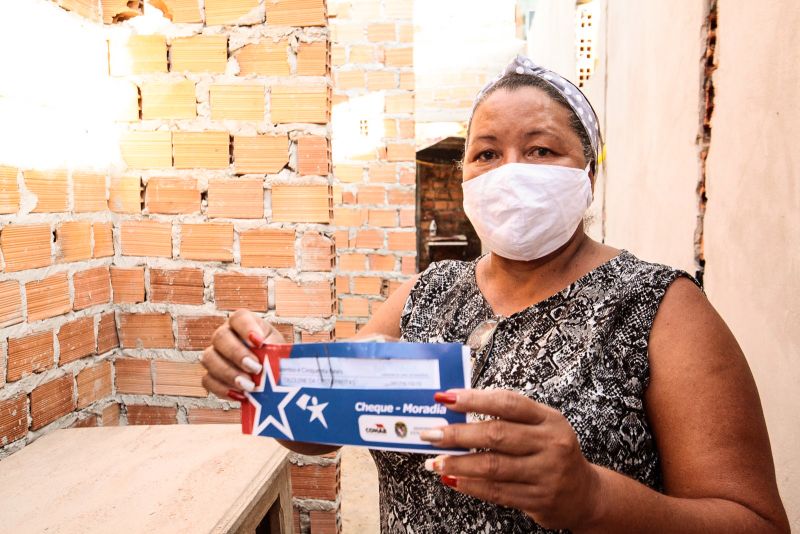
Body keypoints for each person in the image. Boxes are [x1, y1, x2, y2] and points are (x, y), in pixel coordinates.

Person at [200, 56, 789, 533]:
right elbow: (319, 432)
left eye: (540, 149)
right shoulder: (420, 300)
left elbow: (756, 522)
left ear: (588, 174)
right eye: (486, 153)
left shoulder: (660, 308)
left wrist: (594, 500)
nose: (510, 171)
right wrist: (269, 378)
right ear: (464, 179)